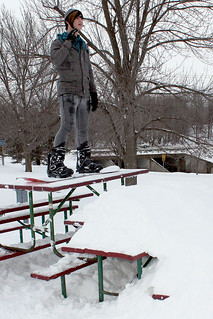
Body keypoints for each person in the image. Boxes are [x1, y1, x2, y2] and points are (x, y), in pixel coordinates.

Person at [47, 8, 103, 178]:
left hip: (84, 93)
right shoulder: (59, 42)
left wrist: (93, 91)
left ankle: (84, 162)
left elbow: (88, 69)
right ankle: (55, 164)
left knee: (83, 129)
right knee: (66, 126)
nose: (81, 20)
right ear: (68, 21)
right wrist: (68, 42)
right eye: (77, 18)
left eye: (81, 18)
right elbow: (56, 61)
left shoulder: (83, 45)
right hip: (68, 91)